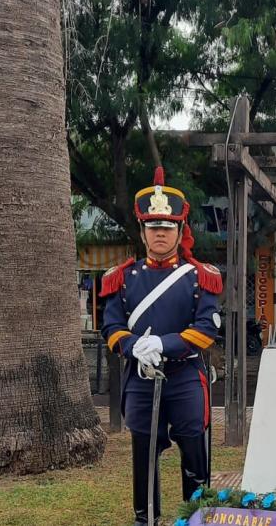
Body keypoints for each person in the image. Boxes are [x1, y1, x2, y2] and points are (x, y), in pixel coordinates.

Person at [100, 167, 222, 525]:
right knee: (144, 456)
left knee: (195, 457)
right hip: (140, 379)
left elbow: (205, 330)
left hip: (184, 378)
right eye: (153, 227)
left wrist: (164, 343)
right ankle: (146, 519)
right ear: (142, 231)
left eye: (167, 228)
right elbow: (111, 327)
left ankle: (197, 517)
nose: (160, 234)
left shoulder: (200, 276)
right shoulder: (122, 278)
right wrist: (135, 345)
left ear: (180, 231)